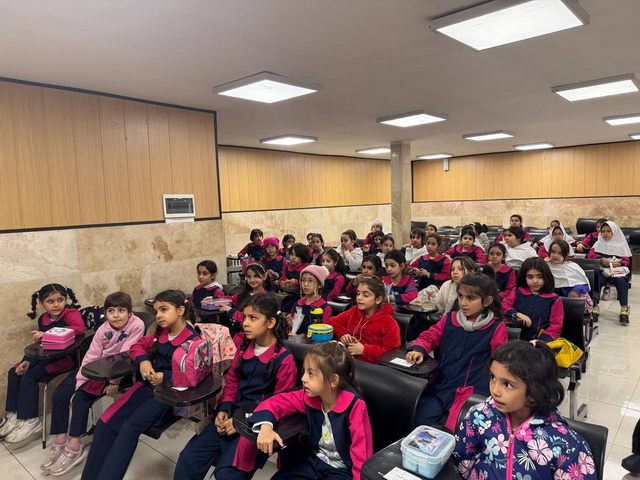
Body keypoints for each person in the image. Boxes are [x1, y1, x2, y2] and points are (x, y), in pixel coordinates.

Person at [173, 293, 296, 480]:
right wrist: (223, 409)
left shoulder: (284, 359)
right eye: (244, 317)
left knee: (227, 474)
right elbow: (232, 381)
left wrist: (241, 423)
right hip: (231, 415)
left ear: (270, 323)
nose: (245, 323)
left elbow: (280, 403)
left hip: (256, 423)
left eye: (253, 318)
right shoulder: (245, 347)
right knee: (189, 458)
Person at [81, 290, 201, 480]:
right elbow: (137, 346)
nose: (158, 315)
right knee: (105, 422)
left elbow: (194, 374)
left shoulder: (193, 341)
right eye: (156, 311)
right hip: (146, 389)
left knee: (128, 428)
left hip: (168, 396)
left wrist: (165, 376)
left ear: (180, 311)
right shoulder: (161, 333)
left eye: (164, 309)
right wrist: (144, 361)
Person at [453, 340, 597, 480]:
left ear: (535, 392)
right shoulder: (479, 416)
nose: (495, 390)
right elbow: (461, 465)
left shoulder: (566, 444)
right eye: (493, 377)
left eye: (508, 384)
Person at [43, 292, 144, 476]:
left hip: (121, 371)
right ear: (106, 313)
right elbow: (92, 355)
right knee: (60, 394)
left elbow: (125, 353)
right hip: (96, 367)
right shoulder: (103, 329)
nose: (116, 315)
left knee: (80, 398)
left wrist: (113, 382)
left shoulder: (137, 325)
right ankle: (60, 440)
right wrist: (81, 380)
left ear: (130, 312)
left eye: (121, 311)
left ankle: (74, 447)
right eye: (111, 311)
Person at [253, 342, 373, 480]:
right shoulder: (309, 396)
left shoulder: (355, 406)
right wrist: (266, 427)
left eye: (310, 374)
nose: (303, 378)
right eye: (305, 371)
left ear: (332, 381)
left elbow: (361, 453)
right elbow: (275, 402)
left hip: (341, 470)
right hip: (313, 462)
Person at [406, 271, 508, 430]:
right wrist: (419, 349)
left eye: (471, 298)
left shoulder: (496, 327)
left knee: (454, 428)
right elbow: (430, 336)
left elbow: (501, 361)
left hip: (473, 389)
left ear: (487, 301)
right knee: (420, 420)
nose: (463, 303)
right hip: (442, 383)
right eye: (460, 296)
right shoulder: (449, 319)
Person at [0, 284, 83, 443]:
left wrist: (47, 334)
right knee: (15, 371)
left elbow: (79, 329)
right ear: (41, 303)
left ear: (66, 299)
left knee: (30, 377)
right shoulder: (43, 319)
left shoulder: (70, 313)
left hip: (66, 359)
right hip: (47, 357)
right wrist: (27, 360)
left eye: (60, 300)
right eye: (50, 301)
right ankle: (15, 415)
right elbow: (41, 345)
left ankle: (31, 420)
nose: (56, 304)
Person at [329, 276, 400, 364]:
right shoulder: (354, 311)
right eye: (358, 294)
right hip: (346, 359)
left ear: (378, 300)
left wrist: (365, 350)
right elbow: (333, 322)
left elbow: (391, 355)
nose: (359, 298)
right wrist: (343, 334)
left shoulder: (389, 323)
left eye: (365, 295)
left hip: (368, 367)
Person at [503, 257, 564, 341]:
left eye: (540, 277)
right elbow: (504, 305)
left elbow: (556, 326)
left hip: (539, 341)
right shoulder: (517, 291)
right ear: (524, 278)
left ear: (546, 277)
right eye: (530, 277)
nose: (535, 281)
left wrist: (540, 341)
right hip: (514, 339)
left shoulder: (554, 299)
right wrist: (516, 314)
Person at [587, 220, 632, 324]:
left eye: (608, 231)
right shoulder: (599, 242)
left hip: (616, 273)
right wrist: (601, 259)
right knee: (596, 279)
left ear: (614, 232)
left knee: (621, 282)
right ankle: (595, 306)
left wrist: (619, 263)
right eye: (603, 231)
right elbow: (590, 255)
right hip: (603, 271)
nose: (605, 233)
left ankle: (624, 308)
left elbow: (626, 260)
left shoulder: (621, 244)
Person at [219, 263, 270, 337]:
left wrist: (231, 311)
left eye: (256, 276)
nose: (252, 280)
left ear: (264, 276)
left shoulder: (264, 298)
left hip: (248, 334)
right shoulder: (245, 294)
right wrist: (215, 298)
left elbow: (251, 318)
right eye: (249, 277)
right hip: (236, 330)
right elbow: (231, 299)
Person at [287, 265, 333, 335]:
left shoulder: (325, 308)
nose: (305, 284)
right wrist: (290, 325)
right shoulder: (297, 304)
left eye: (310, 281)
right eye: (303, 280)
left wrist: (298, 337)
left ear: (319, 285)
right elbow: (293, 329)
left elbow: (323, 334)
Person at [429, 256, 477, 321]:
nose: (455, 272)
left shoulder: (477, 288)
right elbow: (440, 308)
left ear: (471, 272)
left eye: (460, 269)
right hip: (447, 322)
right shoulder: (447, 285)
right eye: (452, 269)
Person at [277, 243, 312, 313]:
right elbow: (281, 280)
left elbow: (311, 284)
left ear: (302, 257)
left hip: (304, 296)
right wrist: (282, 284)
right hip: (290, 295)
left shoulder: (307, 268)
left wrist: (296, 283)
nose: (293, 257)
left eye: (297, 255)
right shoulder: (288, 267)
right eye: (292, 254)